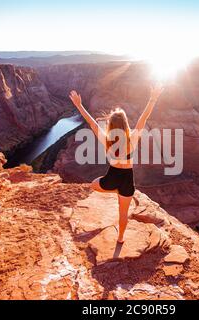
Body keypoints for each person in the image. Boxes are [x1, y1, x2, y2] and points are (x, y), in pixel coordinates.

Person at [69, 85, 164, 243]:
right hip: (127, 179)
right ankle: (120, 239)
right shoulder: (132, 139)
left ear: (111, 126)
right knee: (123, 213)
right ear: (125, 124)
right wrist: (153, 98)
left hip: (111, 177)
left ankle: (114, 190)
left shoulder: (106, 140)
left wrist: (79, 105)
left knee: (93, 184)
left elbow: (93, 124)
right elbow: (143, 119)